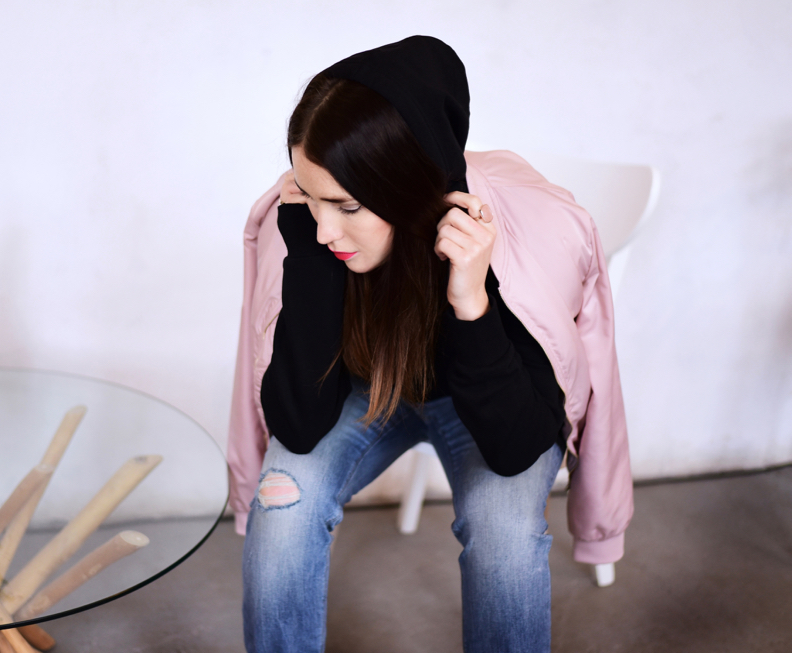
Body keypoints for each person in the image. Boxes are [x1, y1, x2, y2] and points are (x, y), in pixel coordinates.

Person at [227, 36, 633, 653]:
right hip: (365, 391)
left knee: (503, 532)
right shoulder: (303, 225)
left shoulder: (524, 229)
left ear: (407, 186)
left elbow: (518, 445)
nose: (324, 226)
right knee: (284, 505)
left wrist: (472, 301)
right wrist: (309, 262)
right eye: (309, 194)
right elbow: (299, 424)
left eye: (347, 205)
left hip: (487, 402)